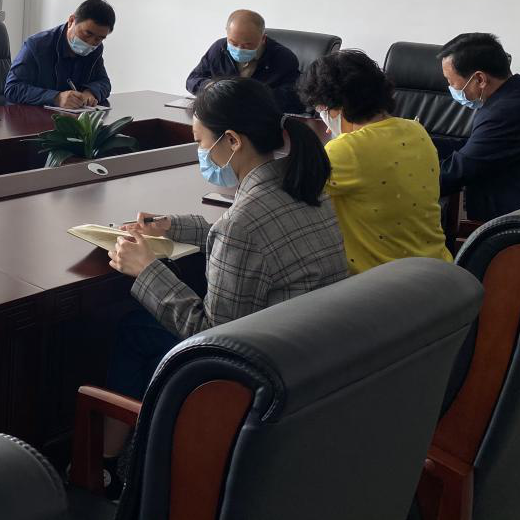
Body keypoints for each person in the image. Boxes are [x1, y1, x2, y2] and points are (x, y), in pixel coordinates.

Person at [100, 77, 347, 492]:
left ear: (232, 140)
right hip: (311, 360)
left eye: (200, 141)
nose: (200, 152)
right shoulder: (302, 185)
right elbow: (241, 230)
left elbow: (214, 341)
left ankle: (104, 467)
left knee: (133, 330)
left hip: (261, 379)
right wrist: (171, 226)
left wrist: (146, 270)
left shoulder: (243, 225)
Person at [298, 50, 450, 273]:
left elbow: (290, 194)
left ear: (339, 108)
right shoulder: (416, 131)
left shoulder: (347, 150)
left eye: (322, 109)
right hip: (437, 270)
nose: (324, 118)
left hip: (382, 284)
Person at [438, 32, 520, 220]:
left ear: (480, 79)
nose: (451, 88)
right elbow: (474, 148)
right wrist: (421, 142)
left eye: (451, 81)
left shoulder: (507, 112)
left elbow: (458, 173)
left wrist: (404, 182)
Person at [4, 0, 114, 108]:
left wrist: (90, 92)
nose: (91, 43)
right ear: (71, 21)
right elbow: (12, 88)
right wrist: (56, 98)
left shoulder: (95, 49)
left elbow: (104, 82)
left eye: (99, 38)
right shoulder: (37, 45)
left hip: (72, 116)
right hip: (32, 115)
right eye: (87, 34)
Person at [185, 9, 302, 112]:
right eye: (233, 43)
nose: (239, 49)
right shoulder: (219, 48)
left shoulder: (284, 58)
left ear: (263, 39)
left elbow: (295, 98)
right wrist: (210, 87)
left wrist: (254, 97)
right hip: (222, 115)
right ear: (227, 33)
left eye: (247, 45)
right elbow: (192, 80)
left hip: (260, 118)